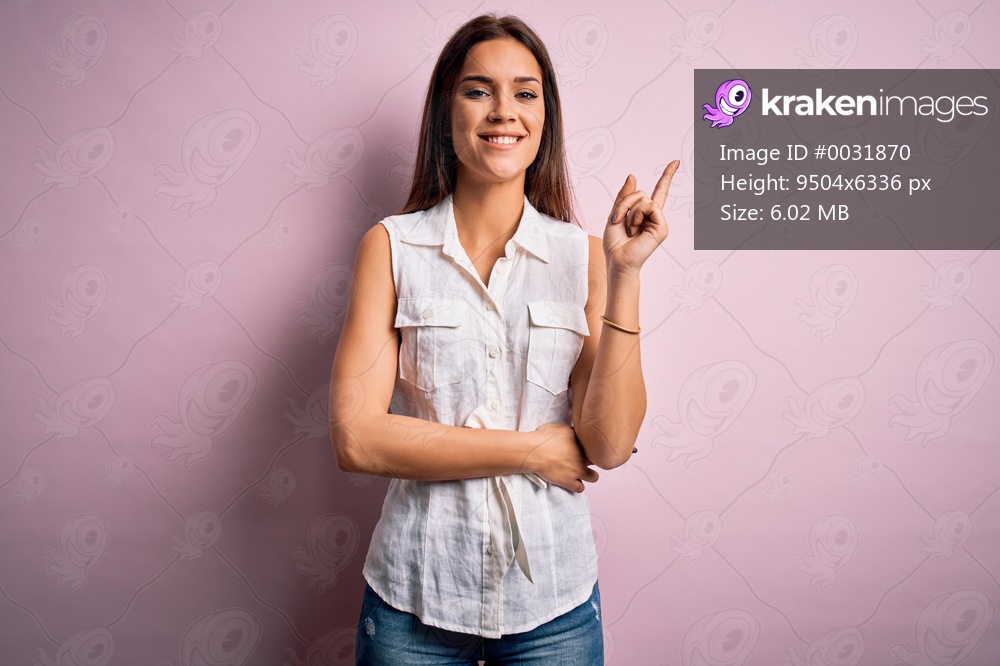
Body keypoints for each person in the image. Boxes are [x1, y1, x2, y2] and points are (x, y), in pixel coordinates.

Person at [329, 14, 677, 665]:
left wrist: (625, 275)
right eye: (477, 89)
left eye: (524, 92)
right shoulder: (391, 248)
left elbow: (610, 444)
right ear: (445, 111)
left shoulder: (587, 258)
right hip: (414, 602)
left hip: (555, 610)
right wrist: (529, 452)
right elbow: (356, 437)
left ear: (545, 118)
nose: (502, 111)